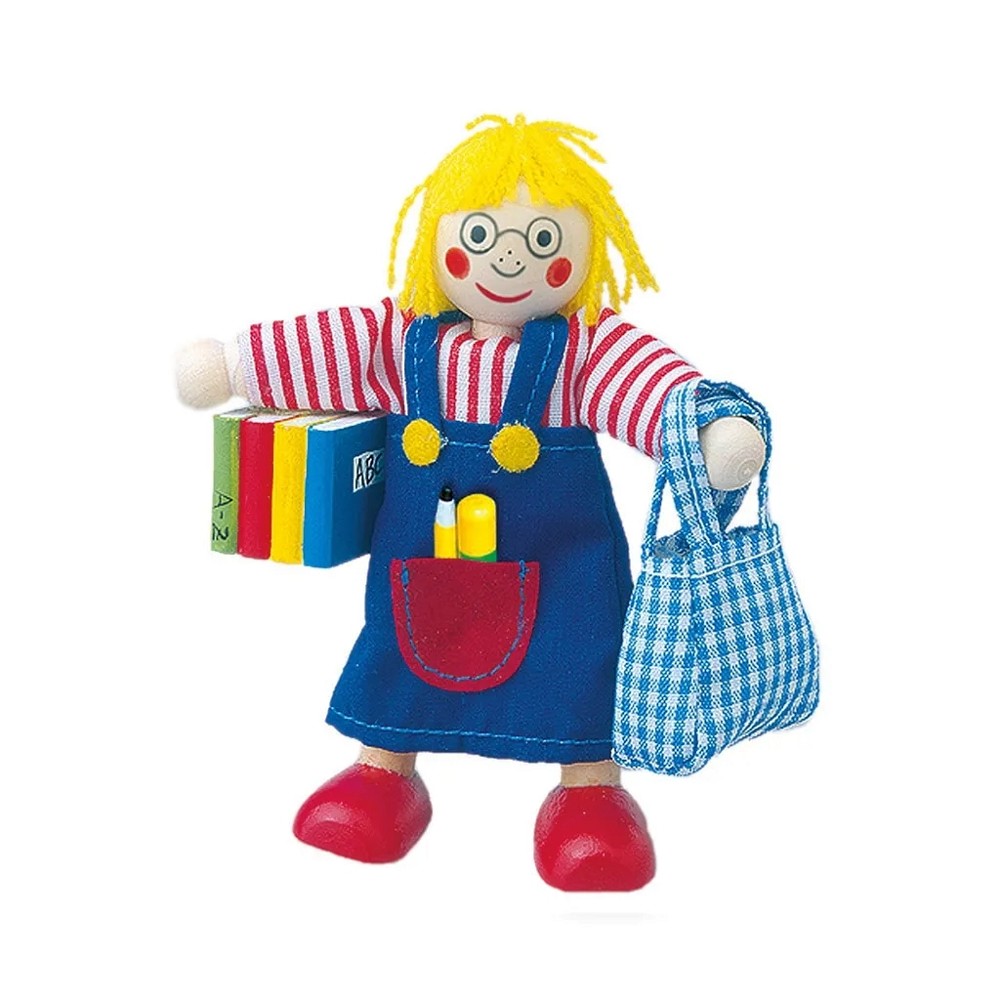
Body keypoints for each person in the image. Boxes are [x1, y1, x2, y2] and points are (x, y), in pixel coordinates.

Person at [176, 115, 765, 891]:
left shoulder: (585, 349)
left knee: (581, 660)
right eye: (481, 236)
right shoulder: (401, 338)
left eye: (543, 241)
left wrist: (706, 429)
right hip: (424, 569)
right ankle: (384, 771)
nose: (510, 257)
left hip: (563, 569)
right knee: (402, 653)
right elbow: (327, 345)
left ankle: (589, 793)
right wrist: (235, 365)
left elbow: (651, 384)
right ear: (437, 241)